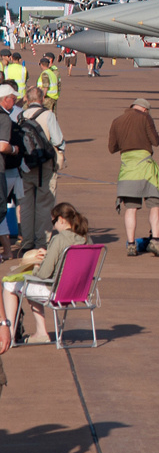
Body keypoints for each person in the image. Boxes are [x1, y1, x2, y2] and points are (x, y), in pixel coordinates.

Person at [3, 203, 89, 345]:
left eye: (53, 222)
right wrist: (49, 254)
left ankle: (10, 335)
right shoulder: (86, 239)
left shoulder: (59, 239)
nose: (54, 226)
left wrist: (36, 265)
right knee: (31, 286)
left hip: (57, 292)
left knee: (10, 284)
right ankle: (40, 332)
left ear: (61, 219)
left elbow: (43, 274)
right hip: (79, 291)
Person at [107, 97, 159, 257]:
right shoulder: (145, 118)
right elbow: (155, 141)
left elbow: (112, 148)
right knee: (156, 203)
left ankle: (131, 244)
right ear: (145, 110)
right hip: (145, 166)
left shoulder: (117, 121)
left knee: (131, 207)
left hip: (127, 168)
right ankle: (155, 240)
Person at [15, 87, 64, 254]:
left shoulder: (20, 116)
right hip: (45, 166)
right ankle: (42, 241)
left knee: (26, 205)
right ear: (42, 99)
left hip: (25, 165)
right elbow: (58, 141)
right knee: (44, 203)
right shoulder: (48, 115)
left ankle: (27, 241)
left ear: (27, 100)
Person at [0, 84, 20, 259]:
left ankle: (6, 250)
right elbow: (2, 146)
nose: (15, 101)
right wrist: (14, 149)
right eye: (13, 98)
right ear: (5, 99)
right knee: (0, 209)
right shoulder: (4, 118)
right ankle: (6, 250)